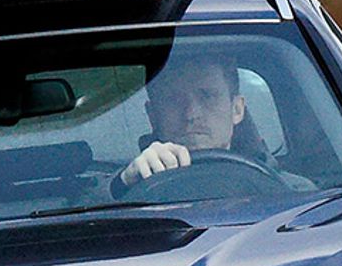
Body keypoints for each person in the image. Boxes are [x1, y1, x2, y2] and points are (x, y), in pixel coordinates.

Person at [116, 52, 277, 188]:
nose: (191, 114)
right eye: (174, 100)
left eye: (207, 96)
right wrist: (123, 184)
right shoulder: (129, 185)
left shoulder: (284, 190)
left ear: (237, 109)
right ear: (153, 116)